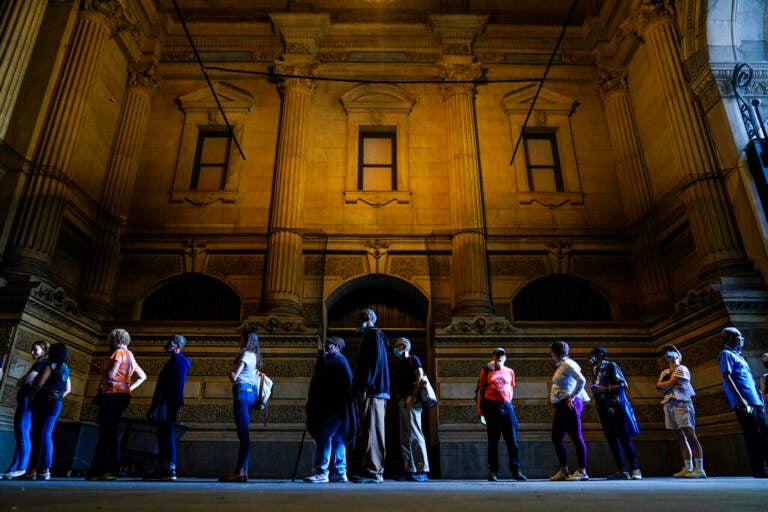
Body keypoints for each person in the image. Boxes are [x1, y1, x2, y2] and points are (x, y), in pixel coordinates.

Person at [87, 328, 147, 481]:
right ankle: (109, 469)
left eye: (111, 341)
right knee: (112, 432)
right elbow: (142, 376)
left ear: (118, 341)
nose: (111, 344)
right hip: (123, 396)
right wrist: (128, 388)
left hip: (112, 394)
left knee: (107, 432)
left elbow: (111, 375)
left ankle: (105, 469)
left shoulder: (118, 353)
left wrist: (101, 371)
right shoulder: (130, 355)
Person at [303, 336, 355, 483]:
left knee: (323, 436)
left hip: (336, 409)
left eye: (330, 345)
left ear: (336, 347)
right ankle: (339, 472)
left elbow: (341, 386)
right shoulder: (331, 361)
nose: (327, 347)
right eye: (327, 344)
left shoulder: (338, 361)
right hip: (339, 409)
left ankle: (321, 471)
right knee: (337, 439)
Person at [718, 327, 768, 478]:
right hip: (745, 404)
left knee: (763, 431)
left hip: (755, 402)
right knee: (753, 432)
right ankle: (759, 468)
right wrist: (739, 398)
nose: (742, 339)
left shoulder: (739, 356)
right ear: (730, 338)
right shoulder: (726, 354)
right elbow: (727, 375)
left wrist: (759, 396)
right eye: (739, 336)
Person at [20, 342, 71, 480]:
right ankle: (45, 470)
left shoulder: (50, 365)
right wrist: (57, 397)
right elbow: (68, 389)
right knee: (47, 435)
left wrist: (31, 397)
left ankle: (32, 470)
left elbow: (38, 384)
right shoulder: (66, 368)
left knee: (37, 435)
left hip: (44, 402)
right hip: (57, 403)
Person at [589, 346, 642, 480]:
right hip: (602, 407)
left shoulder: (611, 366)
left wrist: (604, 389)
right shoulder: (596, 370)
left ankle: (635, 469)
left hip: (614, 406)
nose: (591, 358)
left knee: (623, 436)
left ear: (601, 354)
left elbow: (623, 384)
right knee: (611, 438)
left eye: (593, 355)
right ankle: (622, 470)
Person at [143, 334, 191, 482]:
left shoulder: (178, 361)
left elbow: (176, 385)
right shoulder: (175, 361)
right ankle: (164, 468)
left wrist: (172, 404)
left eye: (170, 342)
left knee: (167, 433)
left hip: (168, 403)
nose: (167, 344)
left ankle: (169, 468)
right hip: (167, 402)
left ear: (176, 346)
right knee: (163, 434)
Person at [350, 308, 390, 484]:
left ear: (366, 319)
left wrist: (366, 385)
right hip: (375, 389)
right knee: (370, 430)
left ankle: (373, 471)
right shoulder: (376, 336)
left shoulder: (373, 336)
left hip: (373, 390)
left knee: (373, 431)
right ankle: (371, 469)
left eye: (359, 320)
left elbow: (373, 362)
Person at [476, 347, 526, 482]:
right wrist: (479, 409)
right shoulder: (486, 370)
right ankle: (493, 471)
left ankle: (516, 471)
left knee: (512, 441)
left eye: (502, 355)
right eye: (497, 355)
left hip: (507, 407)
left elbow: (511, 388)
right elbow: (480, 391)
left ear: (505, 357)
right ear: (493, 356)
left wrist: (509, 403)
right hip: (491, 407)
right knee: (493, 441)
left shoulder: (510, 371)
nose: (499, 357)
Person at [655, 344, 706, 478]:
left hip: (682, 403)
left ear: (677, 354)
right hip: (668, 403)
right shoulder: (664, 372)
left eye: (670, 351)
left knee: (690, 435)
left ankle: (699, 468)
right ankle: (688, 468)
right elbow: (659, 386)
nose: (667, 354)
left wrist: (667, 384)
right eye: (665, 352)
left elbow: (672, 382)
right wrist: (668, 384)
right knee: (680, 437)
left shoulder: (682, 368)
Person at [219, 330, 262, 482]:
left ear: (247, 340)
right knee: (244, 434)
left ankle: (240, 471)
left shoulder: (246, 355)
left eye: (241, 338)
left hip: (242, 393)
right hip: (249, 394)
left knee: (243, 435)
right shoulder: (255, 356)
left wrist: (229, 370)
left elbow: (234, 376)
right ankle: (243, 471)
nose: (239, 339)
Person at [3, 340, 49, 480]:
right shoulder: (41, 364)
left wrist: (22, 381)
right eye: (32, 349)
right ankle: (14, 467)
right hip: (27, 401)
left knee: (22, 433)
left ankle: (21, 467)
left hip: (27, 401)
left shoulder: (41, 364)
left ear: (44, 350)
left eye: (35, 349)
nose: (32, 352)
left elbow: (26, 380)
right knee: (21, 434)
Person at [549, 340, 589, 481]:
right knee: (556, 437)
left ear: (555, 353)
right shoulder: (562, 365)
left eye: (552, 353)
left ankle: (582, 471)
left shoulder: (567, 364)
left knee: (576, 437)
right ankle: (564, 470)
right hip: (560, 406)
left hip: (569, 405)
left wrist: (571, 396)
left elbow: (582, 380)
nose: (551, 355)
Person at [393, 337, 430, 482]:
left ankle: (422, 470)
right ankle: (410, 469)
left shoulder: (413, 359)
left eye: (396, 346)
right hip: (402, 400)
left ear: (403, 346)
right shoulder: (400, 363)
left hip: (412, 400)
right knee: (405, 437)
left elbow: (420, 375)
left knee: (415, 435)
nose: (394, 349)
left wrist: (413, 395)